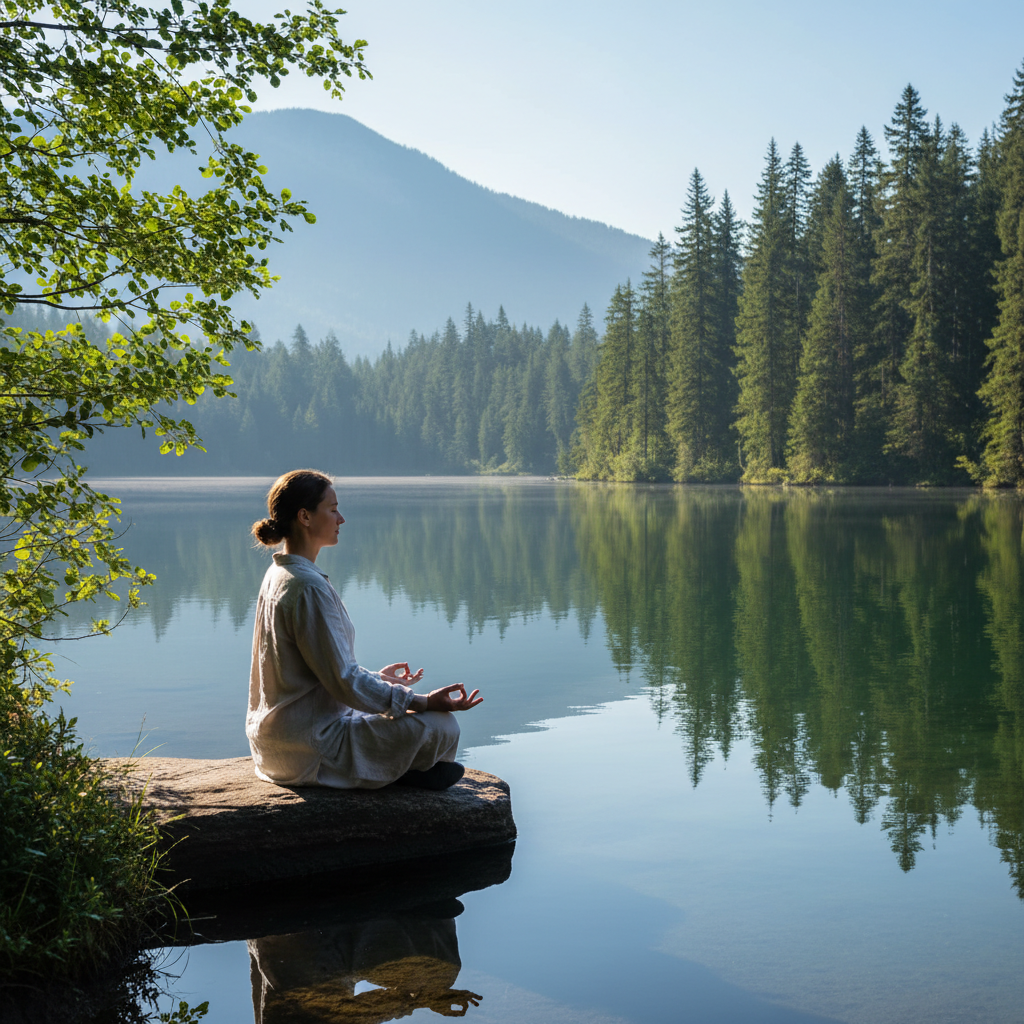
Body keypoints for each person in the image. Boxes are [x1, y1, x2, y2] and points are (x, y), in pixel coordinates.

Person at [247, 469, 482, 791]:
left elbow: (324, 670)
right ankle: (396, 774)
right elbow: (344, 680)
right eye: (332, 509)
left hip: (276, 744)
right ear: (305, 516)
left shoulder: (279, 574)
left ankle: (398, 770)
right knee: (442, 724)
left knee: (404, 715)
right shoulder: (307, 586)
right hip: (309, 748)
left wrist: (380, 680)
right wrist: (422, 701)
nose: (341, 519)